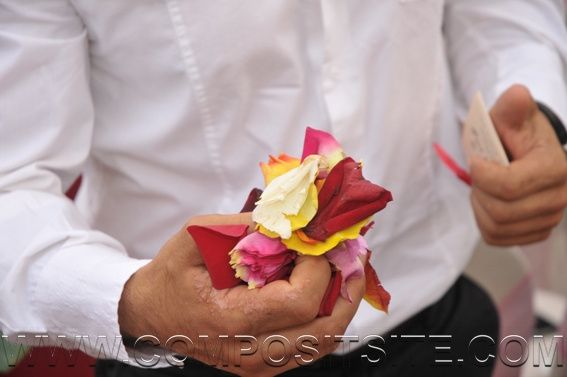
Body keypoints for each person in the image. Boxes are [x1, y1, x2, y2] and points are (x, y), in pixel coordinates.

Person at [1, 1, 567, 376]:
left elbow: (496, 12)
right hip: (185, 353)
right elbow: (10, 184)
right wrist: (136, 302)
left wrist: (535, 105)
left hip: (436, 317)